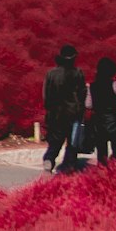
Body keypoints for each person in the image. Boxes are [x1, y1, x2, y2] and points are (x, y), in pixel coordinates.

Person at [42, 43, 87, 173]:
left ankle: (49, 159)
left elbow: (46, 94)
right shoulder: (78, 73)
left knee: (56, 139)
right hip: (73, 113)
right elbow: (82, 93)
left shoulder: (51, 74)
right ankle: (69, 164)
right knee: (72, 141)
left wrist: (49, 109)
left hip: (55, 113)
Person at [89, 57, 116, 164]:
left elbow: (88, 105)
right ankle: (113, 165)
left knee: (101, 150)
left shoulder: (92, 86)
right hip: (114, 121)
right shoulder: (114, 85)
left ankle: (103, 171)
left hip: (98, 122)